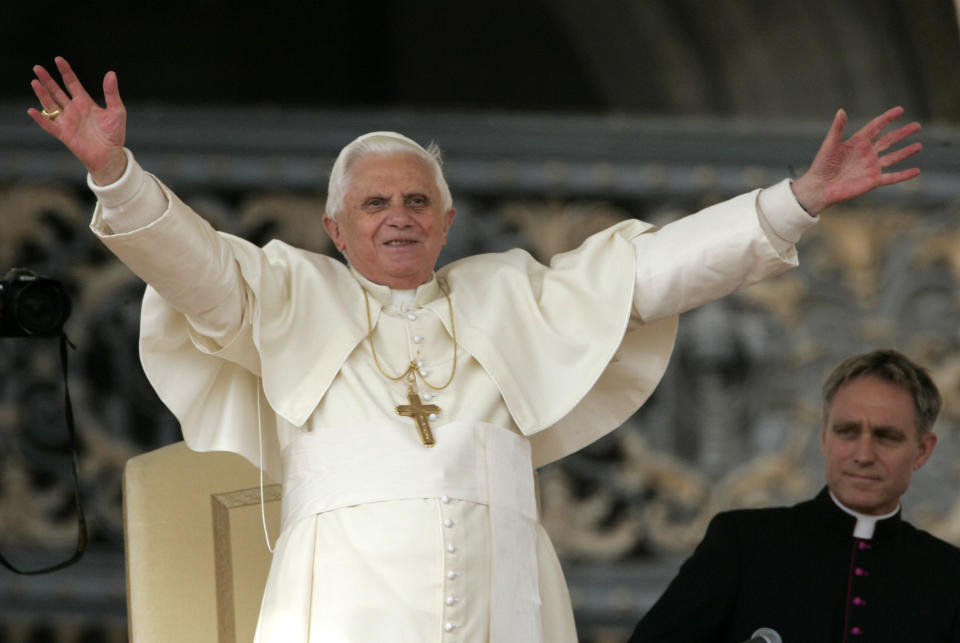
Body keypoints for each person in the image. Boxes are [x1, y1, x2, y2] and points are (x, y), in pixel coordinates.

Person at [28, 56, 924, 642]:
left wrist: (795, 200)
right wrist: (115, 172)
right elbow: (193, 267)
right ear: (335, 228)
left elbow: (654, 274)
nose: (399, 217)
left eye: (418, 201)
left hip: (508, 607)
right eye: (376, 205)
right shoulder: (289, 292)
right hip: (342, 612)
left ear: (448, 220)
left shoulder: (508, 295)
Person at [630, 349, 960, 643]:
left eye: (886, 437)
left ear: (921, 450)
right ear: (824, 438)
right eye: (847, 432)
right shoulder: (743, 544)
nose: (863, 454)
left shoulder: (948, 575)